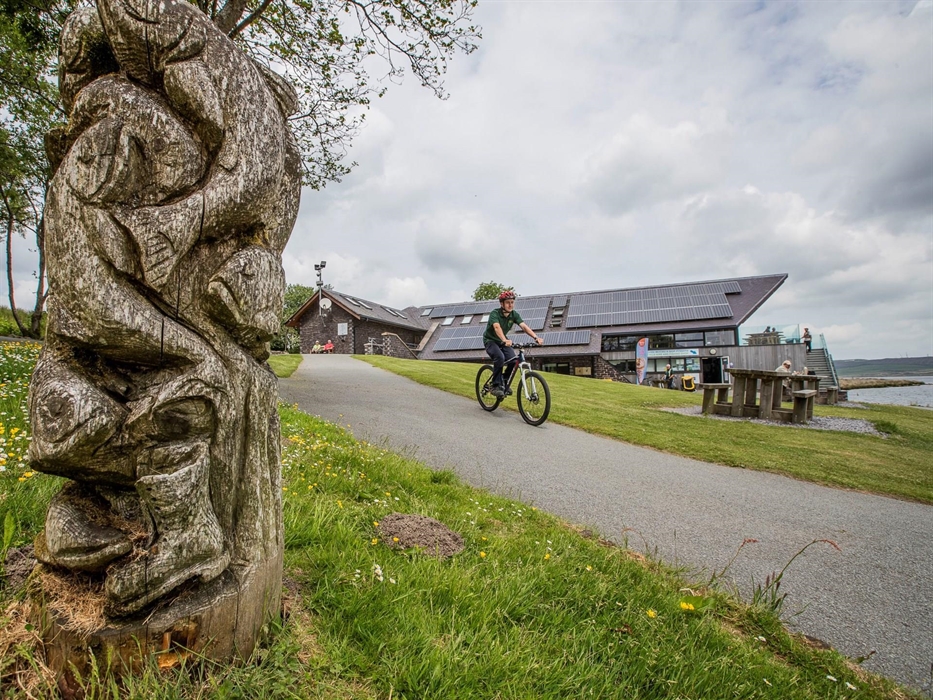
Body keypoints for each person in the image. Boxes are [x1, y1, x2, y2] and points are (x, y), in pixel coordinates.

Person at [483, 290, 543, 397]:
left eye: (512, 302)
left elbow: (524, 326)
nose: (510, 305)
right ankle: (495, 385)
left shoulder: (514, 314)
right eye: (507, 302)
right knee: (500, 358)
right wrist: (504, 340)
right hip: (490, 340)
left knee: (513, 361)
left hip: (503, 341)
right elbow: (497, 327)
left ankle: (504, 382)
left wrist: (535, 337)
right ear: (502, 304)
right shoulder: (495, 313)